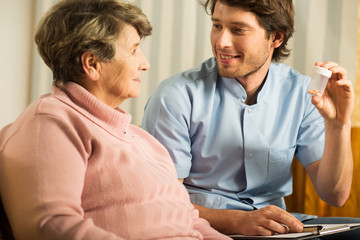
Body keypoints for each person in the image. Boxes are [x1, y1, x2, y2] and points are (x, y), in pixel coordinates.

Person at [0, 0, 231, 239]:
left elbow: (189, 219)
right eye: (133, 50)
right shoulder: (51, 122)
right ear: (92, 64)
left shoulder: (143, 141)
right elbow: (49, 226)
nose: (145, 64)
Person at [142, 0, 360, 238]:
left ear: (275, 38)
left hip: (278, 230)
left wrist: (338, 125)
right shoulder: (175, 96)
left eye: (238, 29)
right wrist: (236, 221)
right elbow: (159, 203)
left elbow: (334, 195)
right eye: (217, 26)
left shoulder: (301, 93)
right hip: (202, 228)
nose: (221, 42)